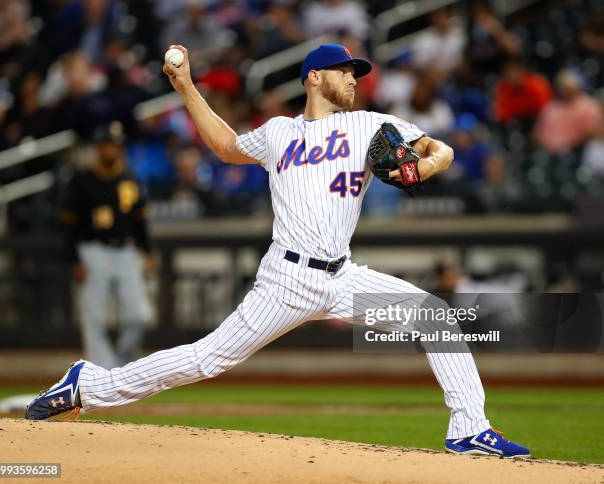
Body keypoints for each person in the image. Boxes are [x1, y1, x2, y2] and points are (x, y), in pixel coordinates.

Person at [26, 44, 530, 458]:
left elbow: (441, 149)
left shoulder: (369, 125)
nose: (354, 79)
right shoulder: (278, 133)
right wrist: (185, 87)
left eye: (357, 73)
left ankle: (468, 429)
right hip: (285, 282)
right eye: (344, 71)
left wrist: (428, 167)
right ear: (314, 78)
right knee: (206, 360)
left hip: (342, 278)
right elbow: (225, 147)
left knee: (433, 315)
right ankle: (87, 386)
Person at [58, 121, 157, 369]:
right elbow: (69, 225)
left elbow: (139, 221)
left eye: (114, 146)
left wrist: (147, 251)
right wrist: (74, 260)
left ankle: (120, 369)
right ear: (97, 148)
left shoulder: (130, 178)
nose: (110, 151)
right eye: (106, 146)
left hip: (125, 250)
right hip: (93, 250)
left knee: (138, 316)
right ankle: (101, 372)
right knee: (95, 319)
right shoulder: (81, 179)